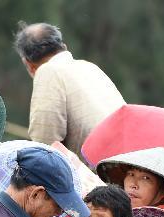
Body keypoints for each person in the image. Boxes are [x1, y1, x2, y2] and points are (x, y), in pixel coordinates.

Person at [14, 22, 125, 153]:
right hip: (126, 162)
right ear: (64, 47)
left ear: (27, 63)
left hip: (99, 169)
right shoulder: (89, 67)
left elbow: (45, 147)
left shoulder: (48, 71)